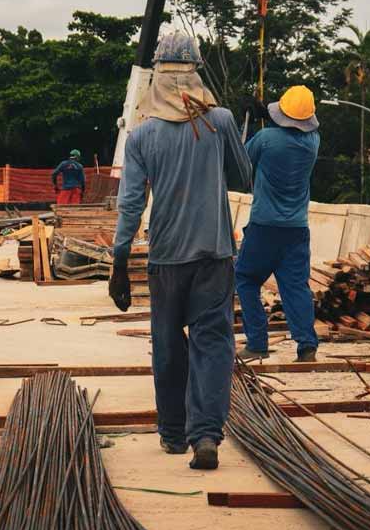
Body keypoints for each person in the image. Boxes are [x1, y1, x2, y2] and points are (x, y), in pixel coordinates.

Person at [110, 31, 252, 471]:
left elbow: (131, 202)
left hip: (166, 257)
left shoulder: (141, 136)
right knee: (213, 343)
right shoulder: (221, 121)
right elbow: (244, 177)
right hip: (214, 254)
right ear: (196, 72)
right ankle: (205, 434)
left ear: (157, 75)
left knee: (168, 344)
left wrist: (118, 260)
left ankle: (173, 433)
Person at [234, 86, 322, 363]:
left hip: (264, 226)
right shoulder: (313, 142)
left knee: (246, 280)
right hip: (297, 228)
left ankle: (257, 343)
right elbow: (289, 132)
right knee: (296, 287)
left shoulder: (265, 139)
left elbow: (241, 164)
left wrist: (247, 126)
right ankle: (307, 346)